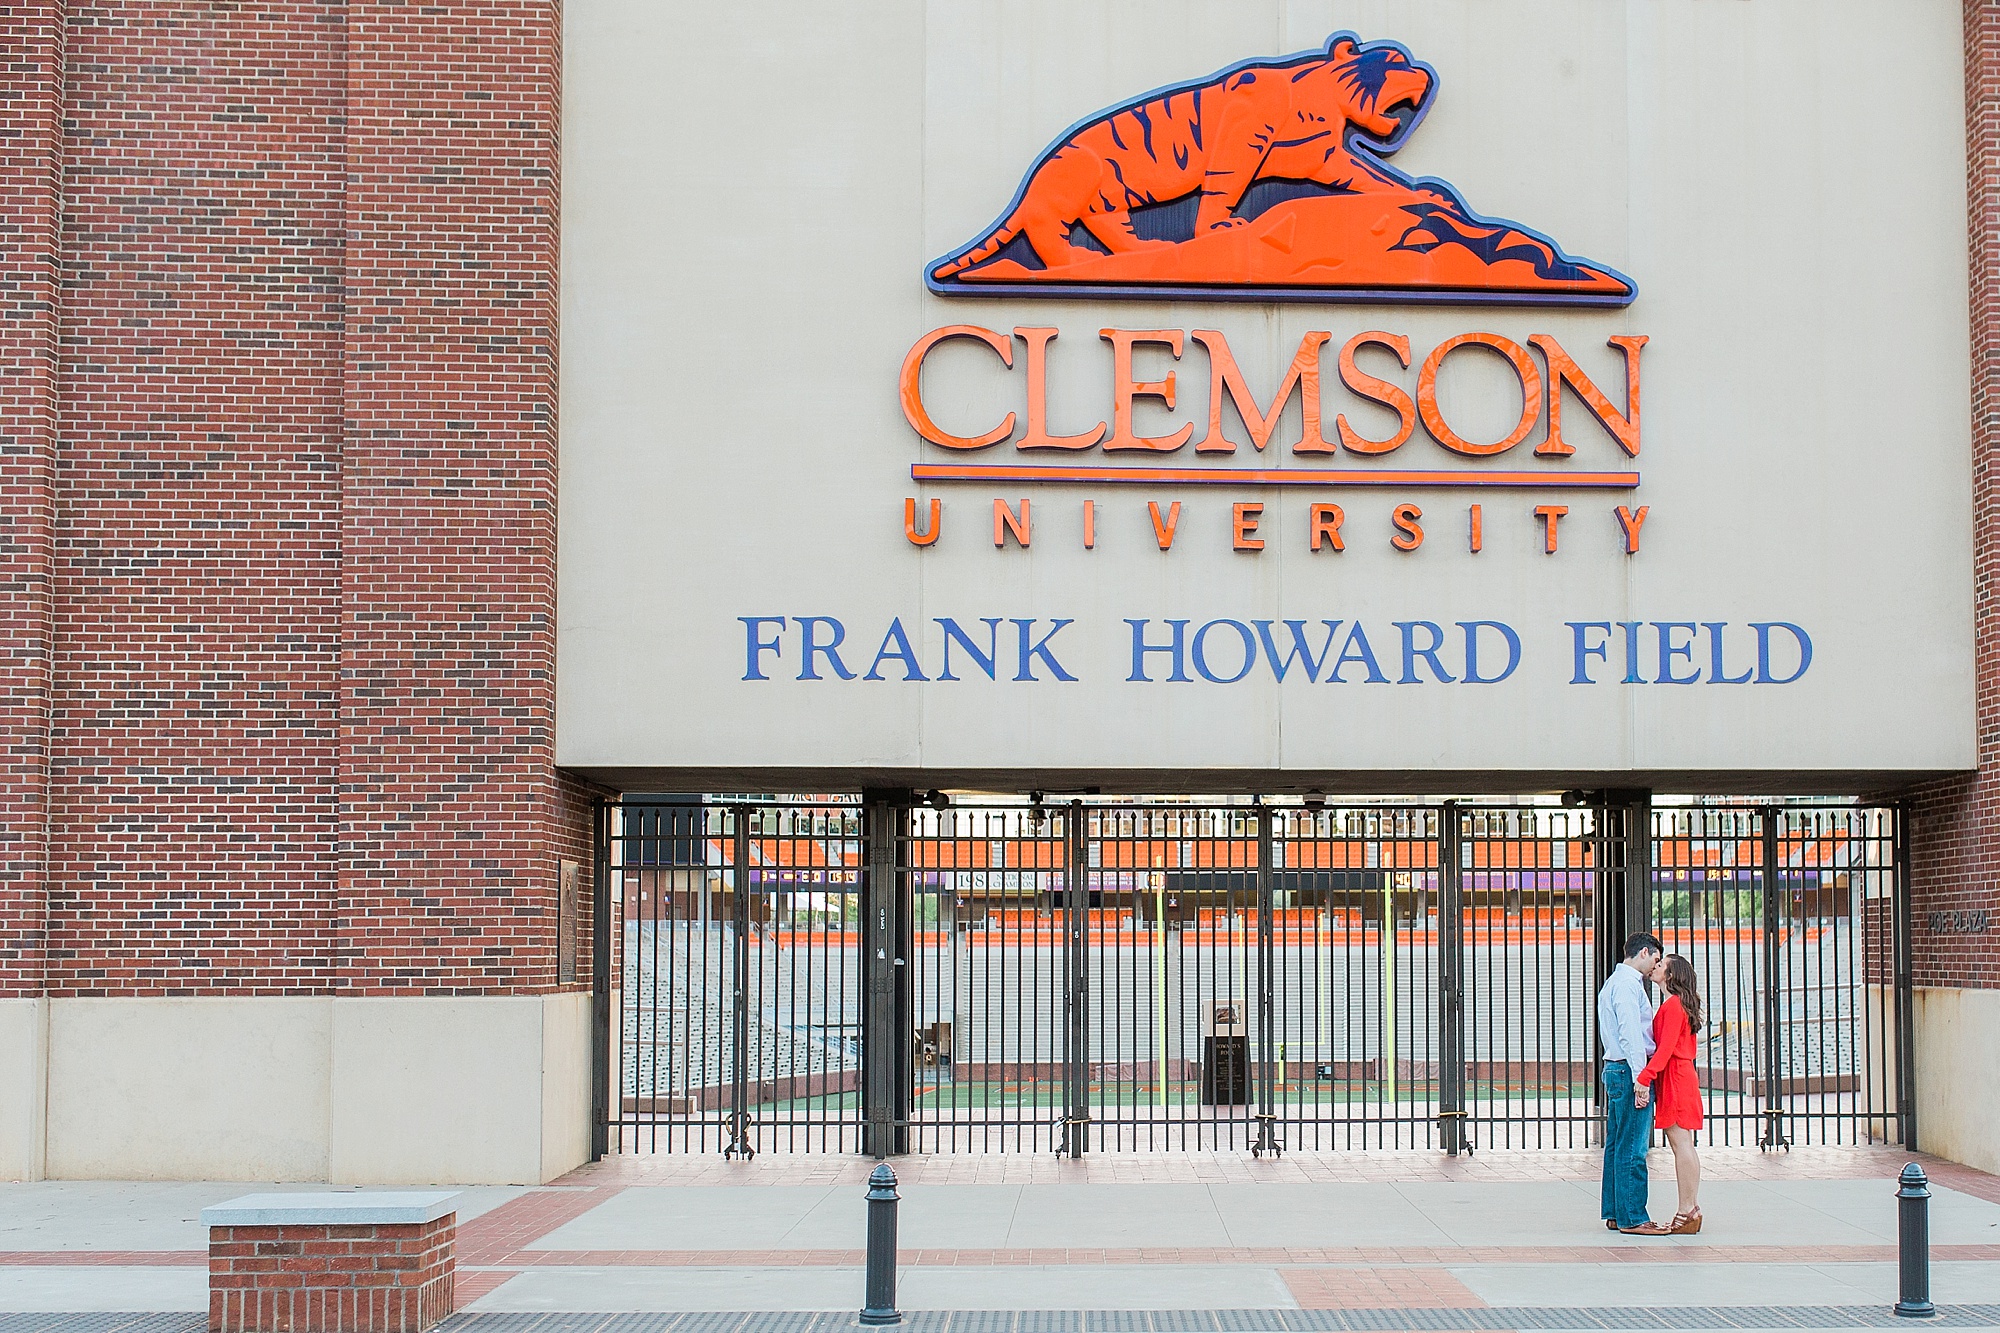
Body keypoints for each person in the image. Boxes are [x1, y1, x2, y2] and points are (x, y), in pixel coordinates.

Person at [1598, 932, 1666, 1235]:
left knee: (1617, 1144)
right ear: (1644, 953)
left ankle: (1616, 1211)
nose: (1656, 966)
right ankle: (1634, 1217)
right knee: (1634, 1147)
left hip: (1616, 1068)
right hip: (1629, 1070)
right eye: (1655, 959)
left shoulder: (1613, 983)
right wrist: (1642, 1078)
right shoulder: (1627, 985)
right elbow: (1630, 1034)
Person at [1636, 953, 1706, 1234]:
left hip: (1675, 1077)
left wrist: (1644, 1077)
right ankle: (1690, 1208)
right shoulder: (1675, 1005)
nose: (1656, 967)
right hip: (1677, 1076)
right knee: (1682, 1143)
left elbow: (1664, 1050)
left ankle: (1687, 1209)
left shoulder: (1674, 1006)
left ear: (1672, 975)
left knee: (1681, 1144)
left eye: (1661, 965)